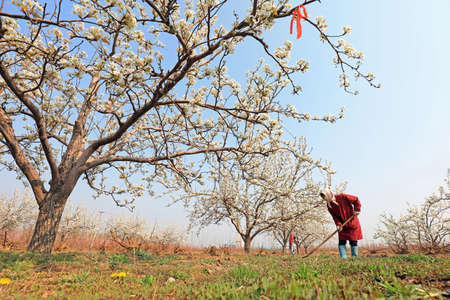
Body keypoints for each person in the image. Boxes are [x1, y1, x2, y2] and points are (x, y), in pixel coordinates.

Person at [319, 189, 362, 258]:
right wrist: (338, 224)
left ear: (328, 194)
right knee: (342, 241)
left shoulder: (342, 197)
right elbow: (335, 217)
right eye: (323, 197)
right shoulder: (329, 206)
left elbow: (356, 199)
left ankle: (354, 257)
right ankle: (343, 258)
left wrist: (357, 209)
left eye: (324, 196)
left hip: (352, 222)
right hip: (342, 226)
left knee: (353, 241)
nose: (324, 199)